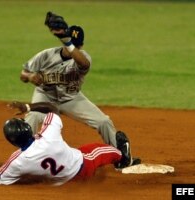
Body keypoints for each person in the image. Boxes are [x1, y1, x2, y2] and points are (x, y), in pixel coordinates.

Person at [20, 11, 134, 168]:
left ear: (80, 46)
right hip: (45, 97)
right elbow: (23, 73)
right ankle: (25, 158)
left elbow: (84, 64)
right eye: (69, 44)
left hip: (71, 99)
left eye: (75, 45)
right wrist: (30, 76)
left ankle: (122, 158)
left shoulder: (83, 58)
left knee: (103, 121)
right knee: (32, 117)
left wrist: (68, 42)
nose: (72, 49)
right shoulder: (46, 55)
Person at [0, 101, 132, 186]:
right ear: (28, 129)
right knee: (100, 150)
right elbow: (52, 109)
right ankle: (123, 158)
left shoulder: (17, 161)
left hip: (64, 183)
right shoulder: (48, 135)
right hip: (83, 166)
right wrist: (28, 107)